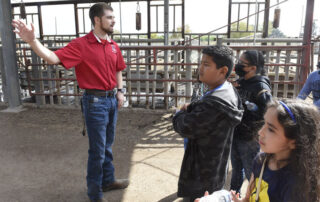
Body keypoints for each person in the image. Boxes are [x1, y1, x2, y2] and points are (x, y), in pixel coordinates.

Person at [12, 3, 128, 202]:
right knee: (98, 150)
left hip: (111, 101)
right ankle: (94, 194)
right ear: (97, 20)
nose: (113, 20)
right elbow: (52, 57)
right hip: (95, 102)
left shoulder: (112, 45)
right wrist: (32, 41)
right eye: (109, 17)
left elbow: (119, 69)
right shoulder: (81, 45)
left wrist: (120, 91)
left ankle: (108, 180)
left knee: (107, 145)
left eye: (113, 17)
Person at [196, 99, 320, 202]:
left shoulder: (298, 185)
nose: (261, 132)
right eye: (264, 123)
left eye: (271, 129)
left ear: (294, 141)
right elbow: (248, 198)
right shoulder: (261, 161)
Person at [172, 45, 244, 202]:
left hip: (202, 172)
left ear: (223, 71)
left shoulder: (214, 104)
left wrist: (179, 113)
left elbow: (184, 126)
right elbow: (202, 108)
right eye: (201, 63)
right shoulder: (227, 90)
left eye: (206, 64)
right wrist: (193, 106)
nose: (200, 68)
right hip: (216, 166)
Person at [231, 50, 272, 194]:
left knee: (251, 172)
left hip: (250, 136)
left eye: (242, 63)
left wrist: (255, 109)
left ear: (253, 68)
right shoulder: (241, 82)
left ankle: (255, 197)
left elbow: (268, 111)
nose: (238, 65)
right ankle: (234, 195)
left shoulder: (261, 86)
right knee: (236, 169)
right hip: (236, 132)